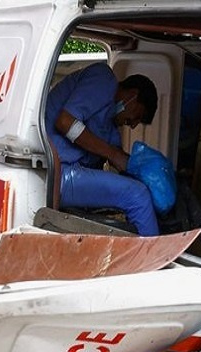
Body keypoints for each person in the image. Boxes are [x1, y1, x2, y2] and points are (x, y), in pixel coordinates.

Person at [45, 63, 159, 236]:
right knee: (138, 196)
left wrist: (149, 174)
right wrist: (113, 154)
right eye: (138, 116)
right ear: (133, 95)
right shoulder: (104, 78)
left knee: (137, 189)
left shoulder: (109, 129)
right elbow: (65, 122)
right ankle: (156, 254)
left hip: (67, 175)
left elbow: (118, 162)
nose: (134, 125)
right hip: (54, 173)